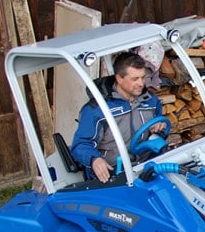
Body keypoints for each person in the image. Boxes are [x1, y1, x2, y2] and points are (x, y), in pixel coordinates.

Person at [71, 52, 165, 183]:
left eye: (143, 78)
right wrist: (94, 160)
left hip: (146, 165)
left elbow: (160, 121)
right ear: (119, 79)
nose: (141, 83)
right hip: (113, 172)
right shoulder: (96, 110)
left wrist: (160, 127)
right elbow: (80, 145)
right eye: (134, 79)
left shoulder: (150, 101)